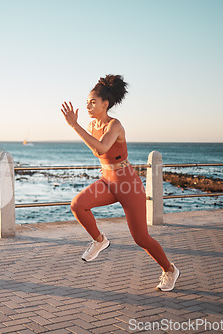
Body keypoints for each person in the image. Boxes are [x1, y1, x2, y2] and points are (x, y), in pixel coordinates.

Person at [61, 74, 180, 292]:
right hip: (108, 181)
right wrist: (105, 166)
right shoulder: (92, 124)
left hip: (129, 185)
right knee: (77, 205)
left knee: (141, 238)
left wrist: (74, 126)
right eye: (87, 101)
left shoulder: (114, 125)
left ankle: (170, 270)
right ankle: (99, 240)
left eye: (93, 101)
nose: (88, 105)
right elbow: (102, 154)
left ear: (105, 104)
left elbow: (102, 148)